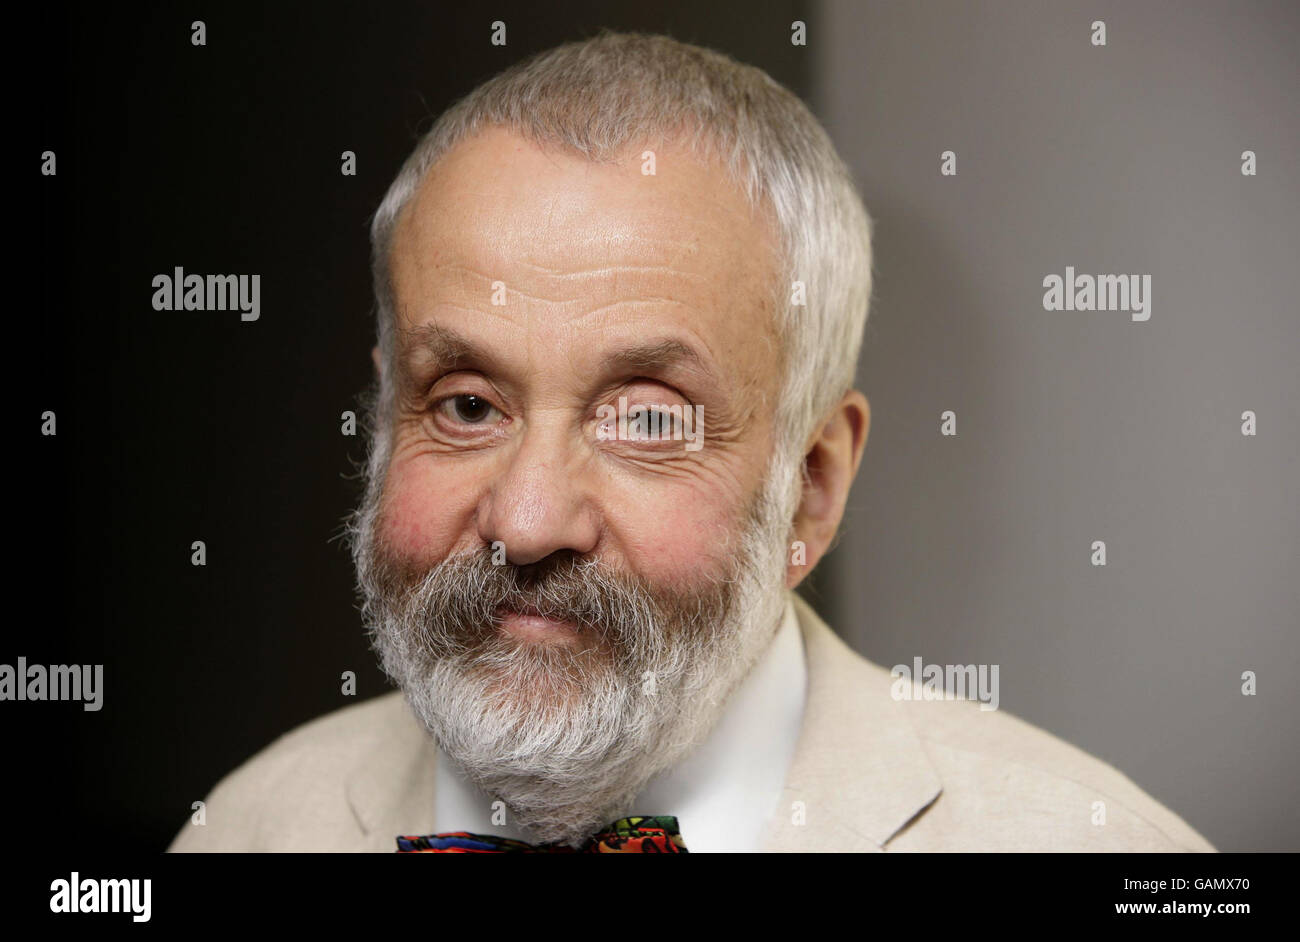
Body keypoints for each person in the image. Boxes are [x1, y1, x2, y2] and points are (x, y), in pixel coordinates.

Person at [169, 31, 1213, 853]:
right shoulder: (250, 830)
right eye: (467, 405)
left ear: (811, 487)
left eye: (648, 417)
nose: (527, 523)